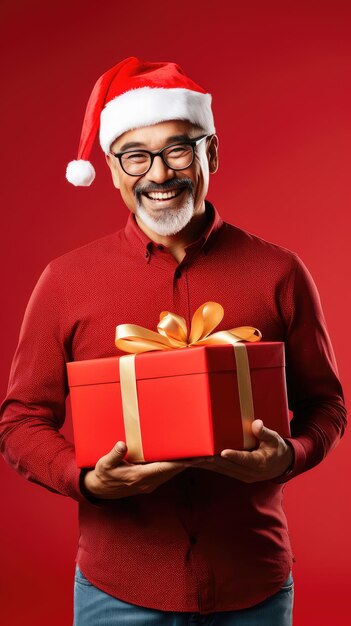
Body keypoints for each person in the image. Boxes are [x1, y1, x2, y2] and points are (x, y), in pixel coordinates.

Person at [0, 57, 346, 626]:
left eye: (178, 149)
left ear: (211, 152)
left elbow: (326, 405)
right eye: (136, 155)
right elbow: (20, 420)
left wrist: (292, 455)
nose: (158, 174)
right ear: (113, 170)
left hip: (252, 585)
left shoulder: (278, 272)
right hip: (118, 590)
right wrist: (84, 479)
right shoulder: (66, 281)